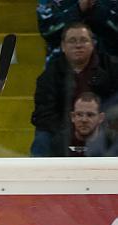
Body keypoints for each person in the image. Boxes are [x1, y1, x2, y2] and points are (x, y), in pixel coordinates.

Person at [30, 22, 118, 156]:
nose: (78, 45)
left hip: (103, 128)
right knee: (42, 139)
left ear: (92, 44)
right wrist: (72, 129)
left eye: (83, 40)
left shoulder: (111, 67)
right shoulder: (50, 74)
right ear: (63, 47)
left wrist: (99, 126)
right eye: (72, 41)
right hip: (62, 130)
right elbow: (43, 115)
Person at [37, 0, 118, 63]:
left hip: (111, 71)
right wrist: (78, 10)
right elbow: (47, 31)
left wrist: (97, 10)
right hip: (62, 74)